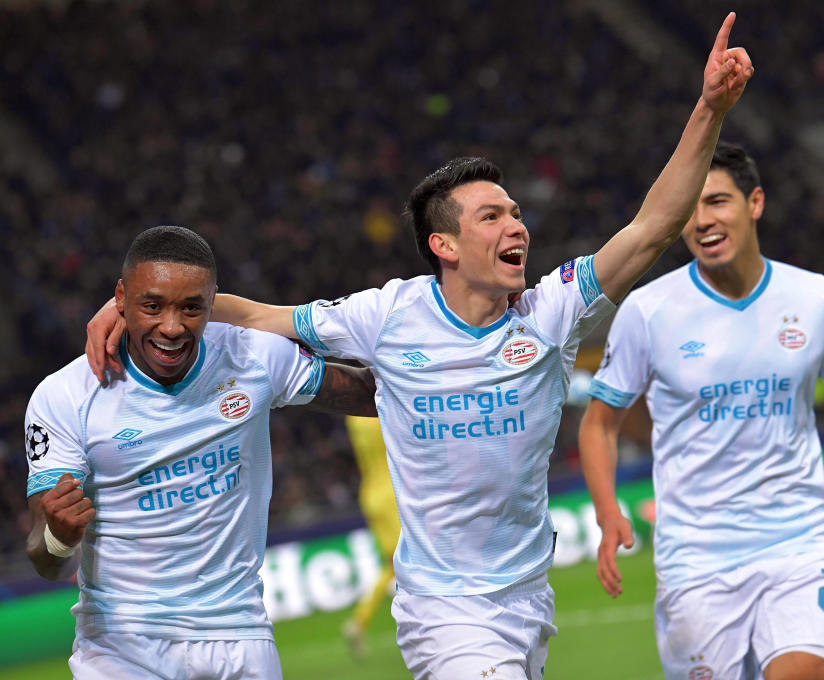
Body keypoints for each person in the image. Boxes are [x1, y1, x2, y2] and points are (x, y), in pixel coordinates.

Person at [87, 15, 752, 679]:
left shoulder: (554, 309)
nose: (515, 223)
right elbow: (260, 316)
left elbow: (650, 230)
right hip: (442, 609)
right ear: (446, 246)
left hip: (527, 593)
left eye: (515, 212)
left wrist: (708, 110)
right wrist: (140, 304)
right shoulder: (388, 315)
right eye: (492, 216)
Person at [577, 142, 824, 680]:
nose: (702, 221)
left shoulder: (818, 298)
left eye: (717, 202)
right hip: (697, 557)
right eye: (689, 208)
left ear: (755, 202)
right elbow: (600, 422)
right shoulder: (648, 310)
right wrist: (608, 510)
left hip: (799, 541)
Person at [26, 226, 375, 680]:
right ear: (121, 299)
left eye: (192, 307)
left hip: (240, 637)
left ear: (214, 303)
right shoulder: (66, 396)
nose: (171, 327)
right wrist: (58, 537)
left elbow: (373, 395)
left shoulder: (254, 358)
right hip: (121, 647)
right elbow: (46, 562)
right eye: (151, 305)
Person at [340, 415, 402, 660]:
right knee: (406, 557)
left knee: (391, 562)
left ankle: (359, 621)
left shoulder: (352, 419)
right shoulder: (379, 412)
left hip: (369, 492)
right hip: (390, 490)